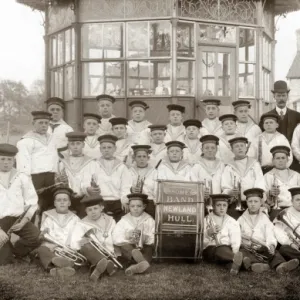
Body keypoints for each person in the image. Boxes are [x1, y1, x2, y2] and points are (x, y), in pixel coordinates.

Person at [238, 188, 299, 274]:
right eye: (250, 201)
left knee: (275, 254)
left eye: (256, 201)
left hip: (263, 246)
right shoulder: (241, 219)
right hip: (248, 247)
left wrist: (271, 245)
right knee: (243, 252)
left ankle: (281, 265)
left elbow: (270, 233)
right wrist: (244, 243)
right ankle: (256, 265)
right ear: (246, 203)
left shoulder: (264, 218)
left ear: (261, 203)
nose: (253, 204)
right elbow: (236, 234)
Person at [0, 144, 40, 265]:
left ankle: (17, 252)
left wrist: (24, 221)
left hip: (17, 219)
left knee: (36, 237)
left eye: (9, 159)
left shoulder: (22, 176)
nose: (6, 162)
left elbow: (32, 201)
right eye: (2, 159)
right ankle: (7, 253)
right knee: (4, 262)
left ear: (14, 160)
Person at [16, 111, 58, 215]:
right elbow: (23, 164)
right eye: (40, 123)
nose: (44, 125)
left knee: (49, 204)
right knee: (34, 205)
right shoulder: (26, 141)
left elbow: (55, 157)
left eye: (46, 123)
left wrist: (56, 173)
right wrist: (26, 181)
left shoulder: (52, 138)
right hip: (35, 177)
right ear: (33, 123)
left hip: (50, 176)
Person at [70, 195, 117, 281]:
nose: (93, 212)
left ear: (101, 208)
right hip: (91, 253)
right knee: (86, 246)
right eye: (89, 210)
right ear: (86, 211)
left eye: (95, 208)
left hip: (109, 251)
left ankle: (99, 268)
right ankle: (105, 265)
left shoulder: (110, 221)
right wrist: (83, 241)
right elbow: (74, 242)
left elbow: (115, 236)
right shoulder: (81, 224)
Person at [36, 187, 80, 278]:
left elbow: (77, 235)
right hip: (53, 248)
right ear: (55, 203)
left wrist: (70, 247)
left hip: (69, 249)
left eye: (65, 200)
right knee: (41, 250)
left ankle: (55, 268)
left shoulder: (75, 219)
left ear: (69, 203)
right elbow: (44, 234)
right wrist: (52, 245)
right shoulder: (49, 218)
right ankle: (57, 267)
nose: (62, 202)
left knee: (75, 254)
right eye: (59, 200)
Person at [260, 80, 300, 172]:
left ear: (287, 96)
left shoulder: (297, 116)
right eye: (278, 96)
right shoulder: (266, 117)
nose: (281, 98)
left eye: (283, 95)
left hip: (294, 161)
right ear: (274, 96)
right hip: (274, 161)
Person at [91, 134, 132, 222]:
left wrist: (124, 199)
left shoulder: (121, 166)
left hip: (117, 201)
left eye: (109, 147)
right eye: (104, 148)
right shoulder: (94, 164)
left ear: (115, 149)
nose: (106, 150)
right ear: (100, 149)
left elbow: (126, 185)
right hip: (100, 201)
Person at [221, 137, 265, 218]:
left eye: (242, 145)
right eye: (236, 146)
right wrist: (231, 191)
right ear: (232, 150)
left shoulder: (254, 164)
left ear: (246, 148)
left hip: (253, 202)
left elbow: (260, 183)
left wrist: (255, 199)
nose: (240, 148)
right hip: (235, 203)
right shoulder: (228, 167)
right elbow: (225, 186)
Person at [112, 193, 155, 276]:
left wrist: (146, 238)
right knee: (125, 247)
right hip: (129, 248)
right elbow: (115, 235)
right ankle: (141, 263)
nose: (135, 209)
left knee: (149, 250)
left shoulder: (149, 220)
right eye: (132, 206)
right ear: (129, 207)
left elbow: (154, 235)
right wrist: (127, 235)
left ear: (144, 206)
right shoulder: (124, 220)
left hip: (144, 247)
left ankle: (133, 267)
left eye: (139, 206)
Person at [57, 132, 98, 216]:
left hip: (86, 198)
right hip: (67, 199)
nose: (75, 147)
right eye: (72, 144)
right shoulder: (63, 163)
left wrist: (90, 189)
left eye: (78, 143)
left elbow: (96, 182)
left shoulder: (91, 163)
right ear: (68, 146)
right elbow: (58, 182)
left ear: (83, 145)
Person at [202, 194, 243, 275]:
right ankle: (242, 261)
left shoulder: (232, 221)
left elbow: (236, 240)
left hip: (227, 250)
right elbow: (201, 243)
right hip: (210, 250)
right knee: (219, 250)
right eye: (218, 205)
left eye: (224, 205)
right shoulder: (206, 220)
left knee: (225, 255)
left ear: (227, 206)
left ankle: (233, 266)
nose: (222, 208)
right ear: (213, 206)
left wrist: (235, 251)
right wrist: (208, 233)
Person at [264, 146, 300, 221]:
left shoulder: (296, 175)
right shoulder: (268, 176)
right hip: (277, 210)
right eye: (277, 158)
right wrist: (270, 193)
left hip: (295, 210)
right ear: (273, 160)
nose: (280, 161)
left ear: (287, 160)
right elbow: (262, 195)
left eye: (283, 158)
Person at [129, 145, 157, 218]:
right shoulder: (129, 171)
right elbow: (125, 186)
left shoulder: (154, 172)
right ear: (134, 158)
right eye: (139, 156)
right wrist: (131, 189)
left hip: (149, 202)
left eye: (144, 156)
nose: (142, 159)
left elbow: (156, 191)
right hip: (133, 201)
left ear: (148, 158)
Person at [274, 187, 300, 262]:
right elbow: (279, 233)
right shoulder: (284, 214)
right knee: (283, 249)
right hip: (295, 246)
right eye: (297, 200)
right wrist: (291, 243)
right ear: (292, 201)